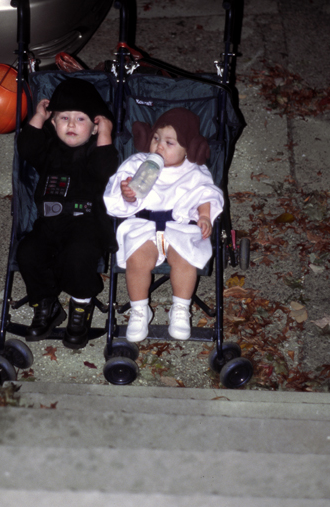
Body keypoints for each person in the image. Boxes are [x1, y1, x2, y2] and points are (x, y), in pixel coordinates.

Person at [104, 108, 223, 342]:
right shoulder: (138, 163)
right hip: (144, 225)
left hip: (179, 227)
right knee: (136, 261)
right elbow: (119, 191)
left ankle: (180, 308)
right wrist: (128, 194)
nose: (159, 146)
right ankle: (139, 309)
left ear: (188, 148)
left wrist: (205, 216)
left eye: (169, 142)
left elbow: (205, 194)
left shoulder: (193, 170)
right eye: (156, 138)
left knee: (184, 259)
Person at [16, 78, 118, 349]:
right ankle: (47, 304)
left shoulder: (95, 152)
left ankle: (80, 305)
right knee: (27, 253)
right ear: (53, 123)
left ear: (95, 126)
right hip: (48, 224)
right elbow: (27, 148)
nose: (71, 124)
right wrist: (38, 116)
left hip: (86, 224)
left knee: (78, 257)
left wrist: (104, 134)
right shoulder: (49, 151)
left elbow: (106, 170)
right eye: (64, 118)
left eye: (81, 119)